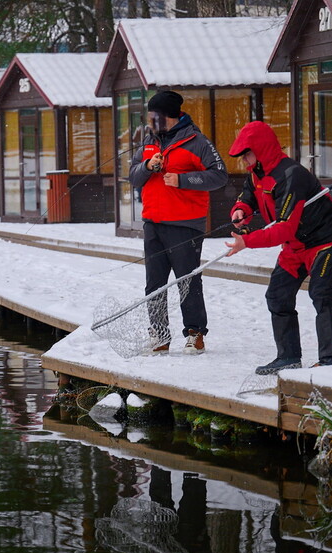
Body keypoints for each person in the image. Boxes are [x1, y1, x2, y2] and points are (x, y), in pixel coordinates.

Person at [224, 121, 332, 374]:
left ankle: (330, 360)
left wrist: (247, 241)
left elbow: (283, 228)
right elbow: (248, 196)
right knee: (277, 296)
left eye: (247, 154)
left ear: (260, 148)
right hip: (295, 247)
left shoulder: (292, 175)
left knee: (321, 294)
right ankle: (288, 357)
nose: (245, 161)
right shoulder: (256, 173)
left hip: (324, 241)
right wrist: (241, 210)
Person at [129, 90, 229, 355]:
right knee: (154, 284)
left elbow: (220, 176)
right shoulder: (148, 142)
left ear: (168, 117)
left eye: (154, 116)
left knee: (187, 280)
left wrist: (183, 180)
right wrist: (147, 166)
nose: (150, 121)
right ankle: (160, 335)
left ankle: (195, 333)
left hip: (186, 224)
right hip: (153, 222)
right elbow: (133, 176)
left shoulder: (197, 142)